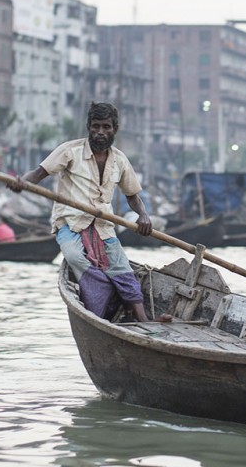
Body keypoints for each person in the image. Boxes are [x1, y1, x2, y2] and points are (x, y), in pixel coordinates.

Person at [10, 102, 166, 323]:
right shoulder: (70, 151)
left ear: (115, 129)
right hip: (70, 224)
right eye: (95, 126)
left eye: (105, 127)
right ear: (88, 127)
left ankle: (142, 318)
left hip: (103, 226)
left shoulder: (120, 160)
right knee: (75, 257)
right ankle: (107, 300)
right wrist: (21, 183)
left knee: (121, 267)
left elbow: (132, 195)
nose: (100, 132)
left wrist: (143, 215)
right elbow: (38, 173)